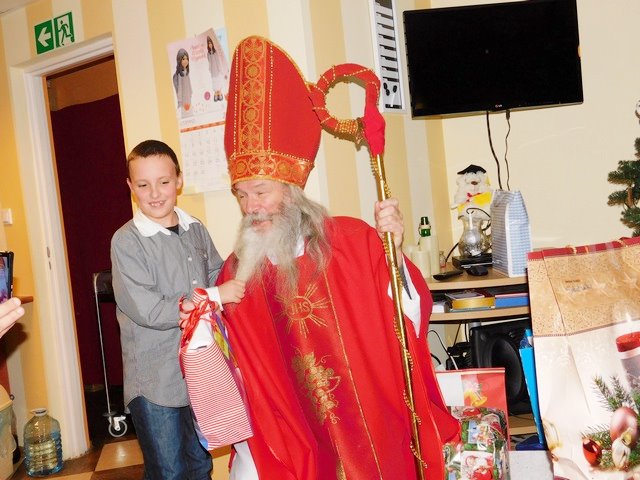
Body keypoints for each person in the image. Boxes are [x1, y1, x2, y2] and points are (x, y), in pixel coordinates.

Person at [215, 35, 459, 480]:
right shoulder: (237, 272)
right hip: (293, 435)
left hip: (368, 424)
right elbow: (239, 368)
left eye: (261, 192)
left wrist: (393, 251)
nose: (251, 207)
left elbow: (409, 316)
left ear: (292, 191)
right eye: (242, 195)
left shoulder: (352, 240)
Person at [110, 139, 245, 480]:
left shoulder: (195, 228)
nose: (155, 193)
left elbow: (216, 272)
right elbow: (149, 309)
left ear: (179, 181)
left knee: (199, 464)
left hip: (200, 373)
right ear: (130, 187)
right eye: (143, 185)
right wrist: (214, 296)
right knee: (168, 471)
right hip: (155, 382)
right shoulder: (126, 241)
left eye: (164, 182)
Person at [172, 48, 192, 116]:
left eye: (187, 59)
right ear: (179, 60)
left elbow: (189, 83)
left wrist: (191, 92)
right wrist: (180, 100)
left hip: (188, 96)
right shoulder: (180, 75)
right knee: (185, 112)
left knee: (189, 110)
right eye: (183, 59)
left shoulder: (187, 72)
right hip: (183, 97)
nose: (186, 61)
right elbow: (179, 87)